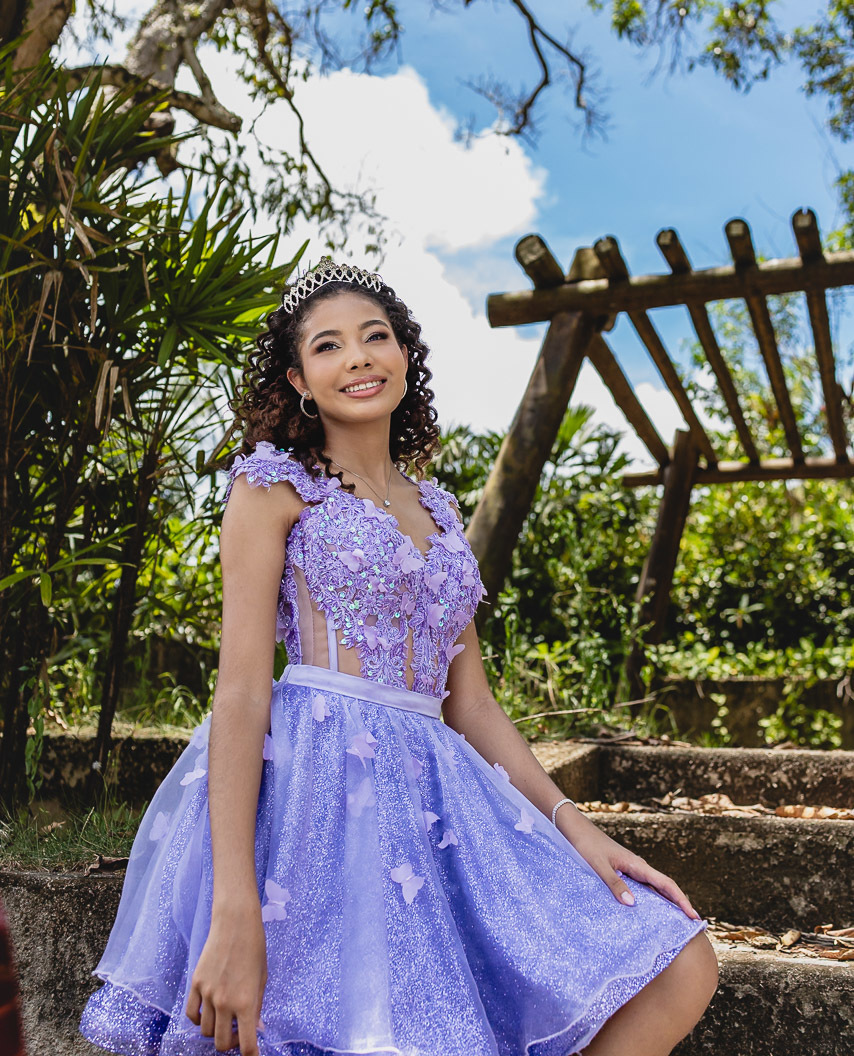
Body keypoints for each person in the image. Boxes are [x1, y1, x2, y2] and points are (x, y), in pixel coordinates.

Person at [80, 256, 718, 1056]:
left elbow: (473, 704)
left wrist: (576, 828)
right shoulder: (273, 486)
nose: (357, 356)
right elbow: (241, 694)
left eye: (375, 337)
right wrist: (233, 908)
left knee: (682, 962)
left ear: (405, 361)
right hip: (314, 800)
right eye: (328, 345)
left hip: (439, 803)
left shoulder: (442, 513)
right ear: (300, 381)